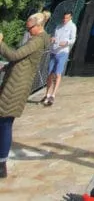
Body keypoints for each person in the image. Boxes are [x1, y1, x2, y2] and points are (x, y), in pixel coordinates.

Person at [0, 12, 49, 178]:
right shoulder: (36, 38)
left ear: (39, 26)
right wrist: (6, 67)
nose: (28, 31)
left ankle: (1, 165)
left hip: (17, 87)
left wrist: (0, 43)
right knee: (4, 123)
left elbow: (15, 55)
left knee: (5, 123)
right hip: (14, 84)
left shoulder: (38, 40)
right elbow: (22, 61)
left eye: (30, 28)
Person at [43, 10, 77, 106]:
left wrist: (66, 43)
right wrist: (52, 39)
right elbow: (54, 36)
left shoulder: (72, 26)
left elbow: (73, 39)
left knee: (58, 74)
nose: (65, 19)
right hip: (54, 51)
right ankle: (47, 94)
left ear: (70, 17)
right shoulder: (59, 26)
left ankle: (53, 95)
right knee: (50, 73)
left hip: (63, 52)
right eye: (64, 18)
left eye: (67, 18)